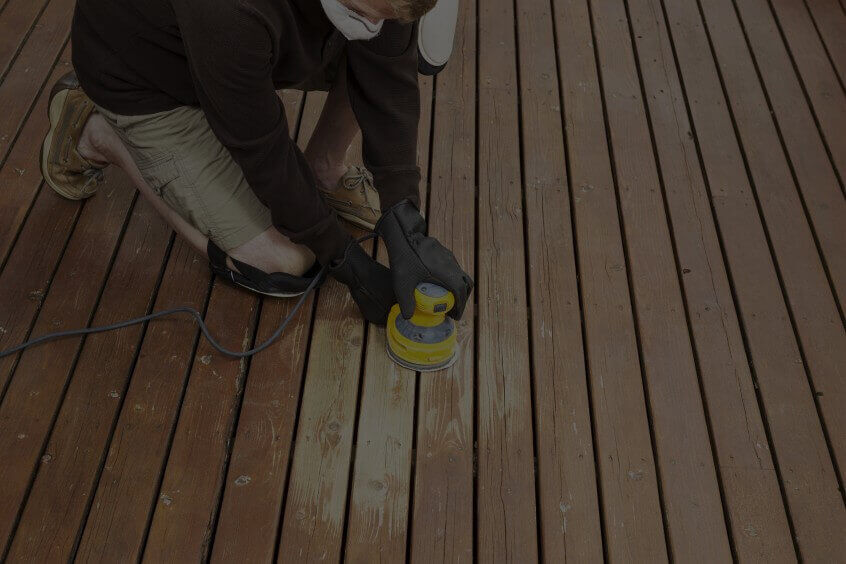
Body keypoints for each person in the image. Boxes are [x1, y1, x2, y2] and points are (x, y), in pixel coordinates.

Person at [40, 0, 472, 325]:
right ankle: (99, 133)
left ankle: (324, 165)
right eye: (364, 11)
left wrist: (404, 218)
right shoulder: (229, 10)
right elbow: (264, 152)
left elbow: (388, 67)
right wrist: (345, 261)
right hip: (144, 78)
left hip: (234, 51)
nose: (376, 26)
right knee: (284, 264)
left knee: (372, 41)